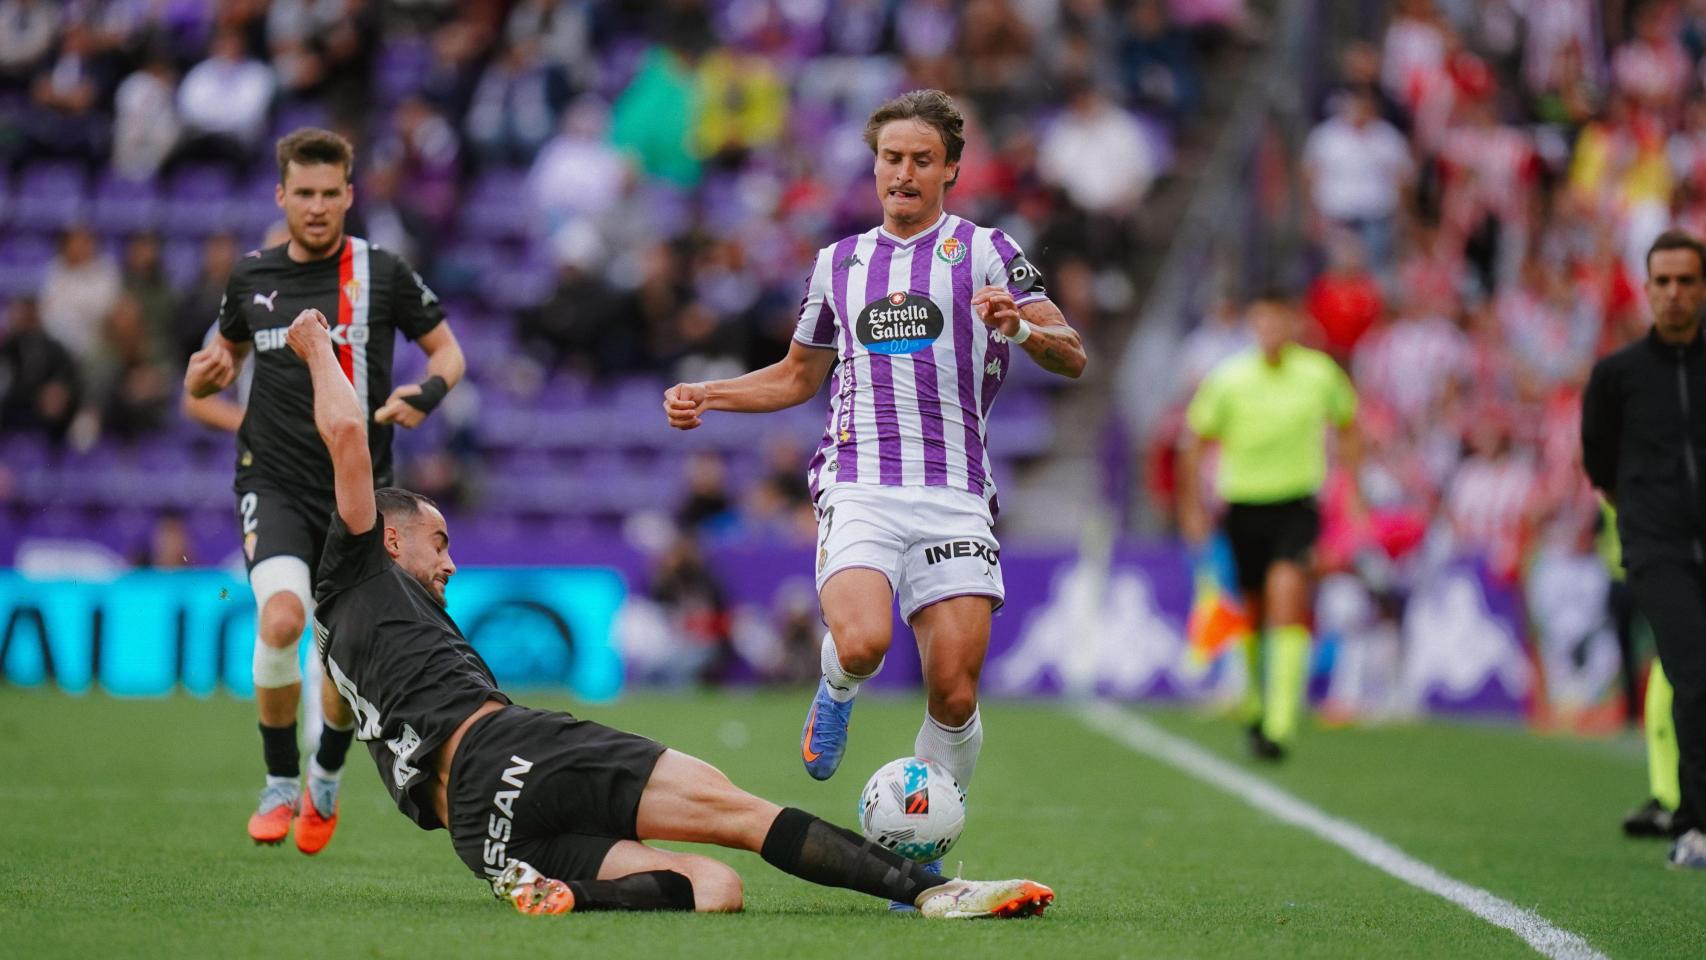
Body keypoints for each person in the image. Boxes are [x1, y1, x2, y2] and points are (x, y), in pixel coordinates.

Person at [285, 306, 1052, 918]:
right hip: (506, 748)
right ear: (388, 539)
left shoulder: (338, 633)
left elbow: (339, 708)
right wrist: (317, 344)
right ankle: (930, 889)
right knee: (740, 811)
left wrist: (321, 779)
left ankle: (563, 897)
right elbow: (350, 431)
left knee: (716, 889)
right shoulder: (359, 562)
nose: (449, 561)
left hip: (481, 832)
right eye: (437, 542)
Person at [663, 88, 1085, 890]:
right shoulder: (839, 264)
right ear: (875, 166)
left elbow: (1073, 353)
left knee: (954, 692)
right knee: (862, 641)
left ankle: (914, 862)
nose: (904, 172)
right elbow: (797, 375)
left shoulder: (989, 251)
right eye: (891, 158)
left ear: (951, 168)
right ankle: (835, 686)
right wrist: (709, 392)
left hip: (957, 489)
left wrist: (1021, 328)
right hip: (860, 480)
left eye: (922, 159)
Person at [182, 128, 466, 853]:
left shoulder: (383, 272)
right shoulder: (250, 279)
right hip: (272, 484)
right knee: (281, 621)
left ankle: (328, 776)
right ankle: (280, 784)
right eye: (301, 193)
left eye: (328, 193)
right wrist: (199, 383)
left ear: (349, 193)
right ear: (281, 196)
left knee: (343, 657)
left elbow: (448, 352)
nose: (315, 206)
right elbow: (213, 373)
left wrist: (425, 394)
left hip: (357, 492)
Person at [1178, 292, 1363, 761]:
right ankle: (1258, 701)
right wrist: (1194, 507)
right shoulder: (1229, 378)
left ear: (1294, 324)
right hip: (1242, 505)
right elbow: (1195, 442)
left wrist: (1352, 488)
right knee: (1253, 608)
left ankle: (1280, 722)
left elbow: (1349, 424)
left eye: (1278, 322)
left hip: (1297, 504)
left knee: (1287, 595)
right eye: (1261, 322)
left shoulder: (1318, 374)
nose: (1270, 331)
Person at [1582, 229, 1706, 869]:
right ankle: (1694, 824)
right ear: (1648, 288)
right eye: (1664, 282)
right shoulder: (1617, 377)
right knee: (1693, 674)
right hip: (1656, 548)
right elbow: (1598, 464)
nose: (1675, 293)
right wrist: (1642, 518)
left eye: (1687, 281)